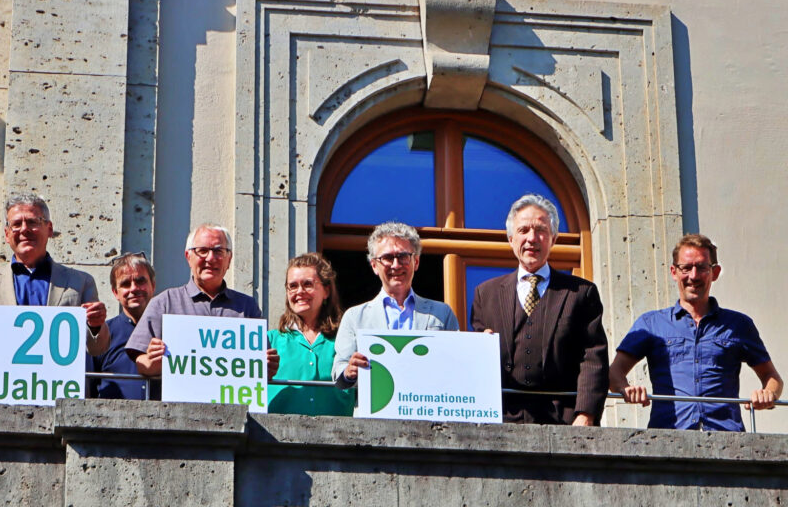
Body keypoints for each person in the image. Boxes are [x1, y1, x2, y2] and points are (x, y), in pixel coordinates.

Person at [609, 234, 782, 431]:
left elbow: (772, 377)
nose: (693, 276)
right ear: (674, 272)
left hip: (726, 438)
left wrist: (768, 394)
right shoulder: (651, 324)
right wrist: (625, 389)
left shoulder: (739, 325)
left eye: (701, 267)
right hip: (668, 437)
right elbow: (614, 372)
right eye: (686, 267)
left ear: (715, 272)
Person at [470, 194, 609, 426]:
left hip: (564, 422)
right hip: (502, 422)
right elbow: (476, 363)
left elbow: (593, 357)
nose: (532, 238)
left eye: (541, 230)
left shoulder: (581, 293)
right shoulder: (486, 294)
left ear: (553, 239)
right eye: (523, 230)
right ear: (511, 239)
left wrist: (586, 415)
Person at [0, 193, 109, 397]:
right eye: (16, 224)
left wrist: (96, 325)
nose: (24, 229)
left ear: (49, 229)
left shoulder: (80, 282)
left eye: (32, 222)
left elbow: (98, 348)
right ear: (7, 234)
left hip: (59, 395)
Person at [126, 223, 277, 383]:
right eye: (202, 251)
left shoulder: (248, 307)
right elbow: (142, 363)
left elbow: (261, 369)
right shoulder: (164, 302)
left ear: (229, 259)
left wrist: (268, 367)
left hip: (234, 398)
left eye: (218, 251)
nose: (211, 258)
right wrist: (152, 361)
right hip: (179, 399)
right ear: (188, 256)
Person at [333, 222, 459, 388]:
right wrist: (349, 372)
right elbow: (338, 371)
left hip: (427, 402)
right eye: (387, 258)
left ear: (416, 262)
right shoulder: (355, 317)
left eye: (403, 256)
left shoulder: (442, 313)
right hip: (376, 403)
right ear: (374, 266)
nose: (396, 265)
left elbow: (457, 365)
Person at [269, 253, 355, 415]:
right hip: (276, 432)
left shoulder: (346, 339)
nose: (299, 291)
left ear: (326, 291)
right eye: (292, 286)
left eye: (307, 284)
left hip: (337, 431)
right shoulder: (270, 341)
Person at [88, 252, 156, 400]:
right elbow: (88, 389)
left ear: (153, 285)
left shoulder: (170, 332)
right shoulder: (101, 336)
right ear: (115, 292)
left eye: (140, 281)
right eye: (125, 284)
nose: (134, 288)